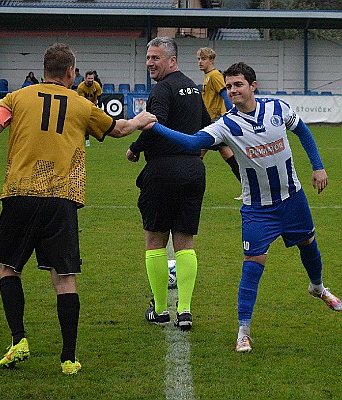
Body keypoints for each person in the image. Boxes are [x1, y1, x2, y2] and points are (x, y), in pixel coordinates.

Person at [0, 43, 156, 375]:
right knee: (64, 278)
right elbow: (118, 129)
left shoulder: (15, 98)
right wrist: (141, 119)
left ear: (44, 70)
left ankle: (18, 339)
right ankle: (68, 358)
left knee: (9, 269)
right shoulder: (81, 103)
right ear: (71, 72)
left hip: (19, 193)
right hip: (61, 197)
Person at [147, 61, 342, 352]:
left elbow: (303, 132)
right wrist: (156, 127)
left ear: (252, 86)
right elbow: (192, 143)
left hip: (292, 197)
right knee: (253, 265)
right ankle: (243, 331)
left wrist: (318, 167)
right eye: (229, 86)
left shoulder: (277, 108)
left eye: (238, 84)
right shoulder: (226, 124)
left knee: (309, 243)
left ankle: (318, 287)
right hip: (257, 208)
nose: (233, 90)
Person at [126, 37, 211, 331]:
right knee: (185, 241)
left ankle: (161, 309)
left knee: (155, 240)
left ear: (171, 60)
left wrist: (135, 147)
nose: (150, 62)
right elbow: (208, 127)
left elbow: (153, 125)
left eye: (155, 58)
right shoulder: (193, 87)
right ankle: (185, 310)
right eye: (148, 57)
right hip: (192, 170)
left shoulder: (162, 89)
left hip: (162, 171)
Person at [197, 47, 242, 200]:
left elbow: (226, 96)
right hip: (211, 123)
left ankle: (189, 186)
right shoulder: (208, 76)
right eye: (198, 59)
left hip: (214, 123)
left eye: (203, 59)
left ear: (211, 60)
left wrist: (231, 115)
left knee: (196, 153)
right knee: (226, 154)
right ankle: (249, 187)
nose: (200, 62)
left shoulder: (215, 75)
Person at [77, 71, 103, 147]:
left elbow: (99, 97)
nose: (90, 80)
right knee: (85, 123)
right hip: (84, 106)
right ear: (85, 78)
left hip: (93, 106)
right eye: (89, 78)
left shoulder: (96, 85)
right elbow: (82, 100)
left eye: (92, 78)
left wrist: (100, 107)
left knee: (97, 122)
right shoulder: (81, 87)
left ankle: (99, 136)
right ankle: (87, 139)